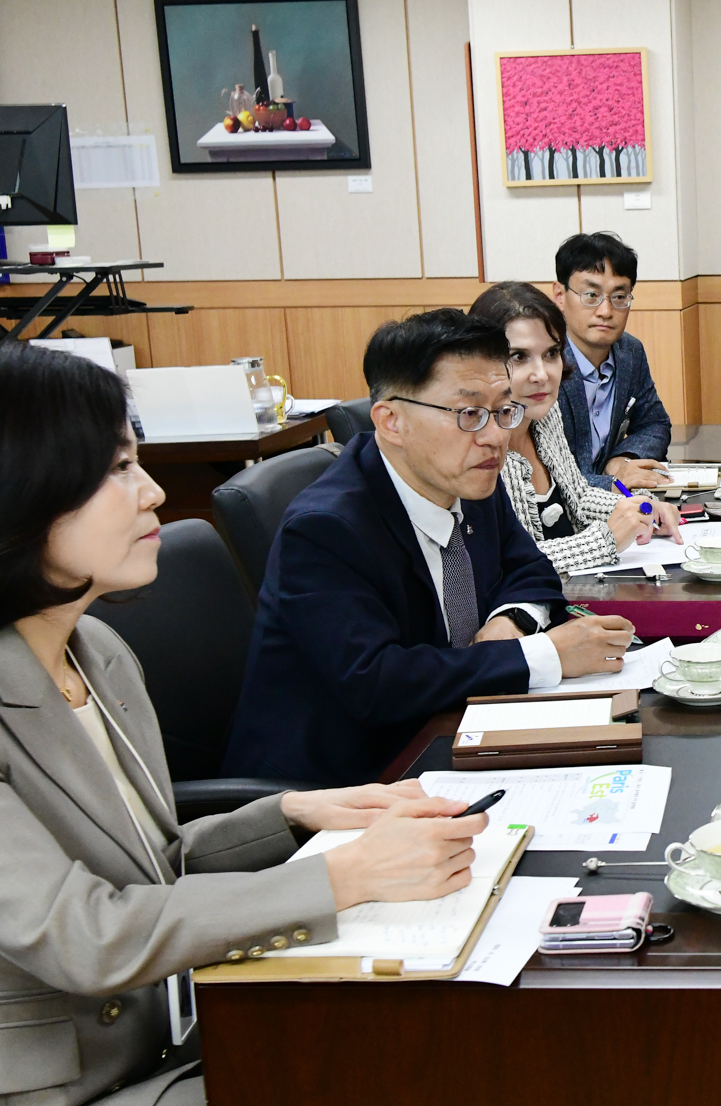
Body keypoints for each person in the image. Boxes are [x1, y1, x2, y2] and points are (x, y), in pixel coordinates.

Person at [0, 345, 490, 1106]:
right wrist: (342, 881)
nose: (151, 494)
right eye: (117, 470)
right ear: (14, 494)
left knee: (399, 1050)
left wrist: (295, 818)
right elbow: (81, 933)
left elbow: (149, 866)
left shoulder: (97, 652)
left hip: (138, 1069)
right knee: (374, 1095)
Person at [223, 310, 635, 787]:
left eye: (503, 409)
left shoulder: (467, 476)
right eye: (469, 413)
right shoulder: (324, 530)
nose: (496, 436)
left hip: (448, 731)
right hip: (342, 783)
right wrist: (540, 655)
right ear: (392, 421)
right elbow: (377, 682)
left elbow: (530, 568)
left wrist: (511, 623)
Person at [468, 280, 684, 574]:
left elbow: (578, 496)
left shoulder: (544, 413)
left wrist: (640, 509)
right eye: (519, 357)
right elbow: (507, 563)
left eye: (551, 354)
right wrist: (607, 540)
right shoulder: (476, 443)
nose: (542, 374)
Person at [552, 231, 672, 490]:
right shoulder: (543, 362)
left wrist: (623, 458)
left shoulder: (629, 352)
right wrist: (612, 483)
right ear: (560, 296)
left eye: (618, 297)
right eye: (591, 295)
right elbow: (541, 477)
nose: (605, 311)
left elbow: (654, 422)